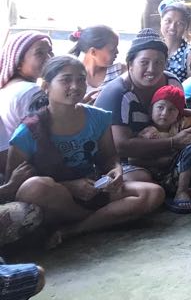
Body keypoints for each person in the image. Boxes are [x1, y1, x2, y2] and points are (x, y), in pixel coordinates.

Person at [9, 56, 164, 244]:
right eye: (66, 80)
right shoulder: (28, 131)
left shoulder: (98, 117)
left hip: (92, 189)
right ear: (46, 86)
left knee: (153, 193)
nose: (75, 86)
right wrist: (70, 186)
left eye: (81, 79)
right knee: (34, 187)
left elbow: (109, 157)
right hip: (56, 199)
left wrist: (116, 170)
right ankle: (106, 218)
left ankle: (75, 229)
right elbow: (16, 185)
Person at [95, 28, 191, 214]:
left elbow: (180, 119)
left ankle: (179, 189)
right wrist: (173, 142)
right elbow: (122, 147)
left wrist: (188, 138)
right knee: (141, 178)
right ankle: (180, 190)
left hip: (167, 154)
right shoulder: (118, 93)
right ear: (130, 64)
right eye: (144, 62)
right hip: (125, 162)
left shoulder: (171, 83)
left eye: (158, 62)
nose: (152, 69)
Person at [136, 86, 191, 211]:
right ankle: (181, 192)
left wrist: (179, 110)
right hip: (161, 176)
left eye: (171, 110)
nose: (164, 113)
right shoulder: (149, 133)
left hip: (179, 169)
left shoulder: (178, 124)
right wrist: (160, 161)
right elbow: (134, 160)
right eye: (160, 107)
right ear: (150, 109)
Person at [0, 32, 52, 171]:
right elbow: (49, 135)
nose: (49, 58)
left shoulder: (7, 88)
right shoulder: (32, 92)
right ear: (18, 62)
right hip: (32, 169)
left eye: (50, 52)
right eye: (40, 53)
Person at [69, 26, 123, 100]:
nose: (117, 52)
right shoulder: (71, 76)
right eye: (112, 49)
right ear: (93, 52)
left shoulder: (120, 72)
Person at [158, 0, 191, 82]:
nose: (172, 27)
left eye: (179, 23)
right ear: (161, 21)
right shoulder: (153, 48)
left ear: (186, 27)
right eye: (168, 21)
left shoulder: (189, 54)